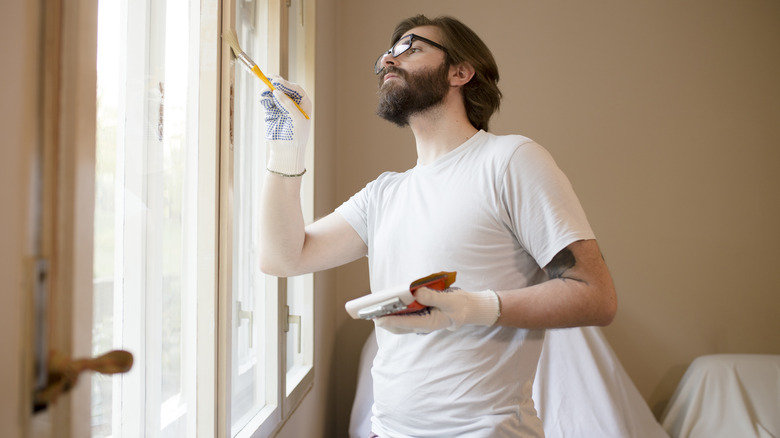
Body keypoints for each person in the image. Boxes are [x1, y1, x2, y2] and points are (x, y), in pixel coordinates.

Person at [258, 14, 617, 438]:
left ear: (460, 71)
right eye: (386, 54)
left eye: (410, 47)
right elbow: (283, 257)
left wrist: (471, 307)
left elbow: (596, 295)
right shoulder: (384, 194)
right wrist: (287, 148)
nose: (390, 60)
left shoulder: (510, 161)